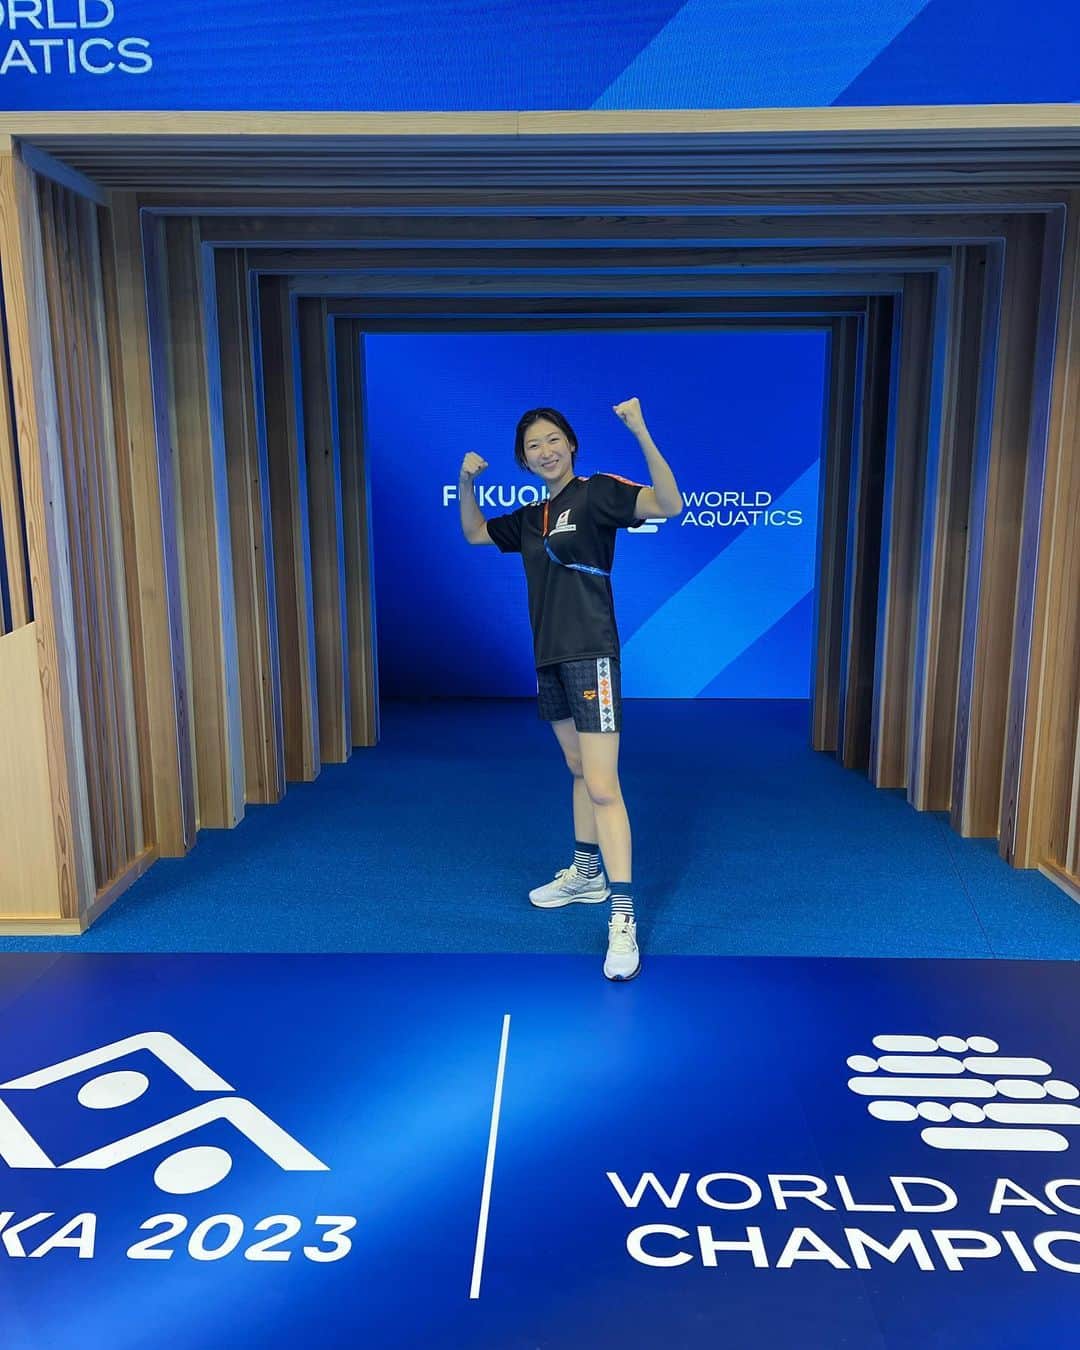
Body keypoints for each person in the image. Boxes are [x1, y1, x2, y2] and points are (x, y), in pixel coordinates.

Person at [458, 399, 682, 981]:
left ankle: (622, 916)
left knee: (603, 786)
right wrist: (466, 481)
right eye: (533, 446)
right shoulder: (531, 517)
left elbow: (670, 504)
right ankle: (586, 874)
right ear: (523, 460)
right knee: (579, 769)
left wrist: (640, 430)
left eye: (553, 439)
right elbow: (476, 533)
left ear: (572, 444)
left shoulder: (597, 493)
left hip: (591, 654)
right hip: (549, 659)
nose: (545, 451)